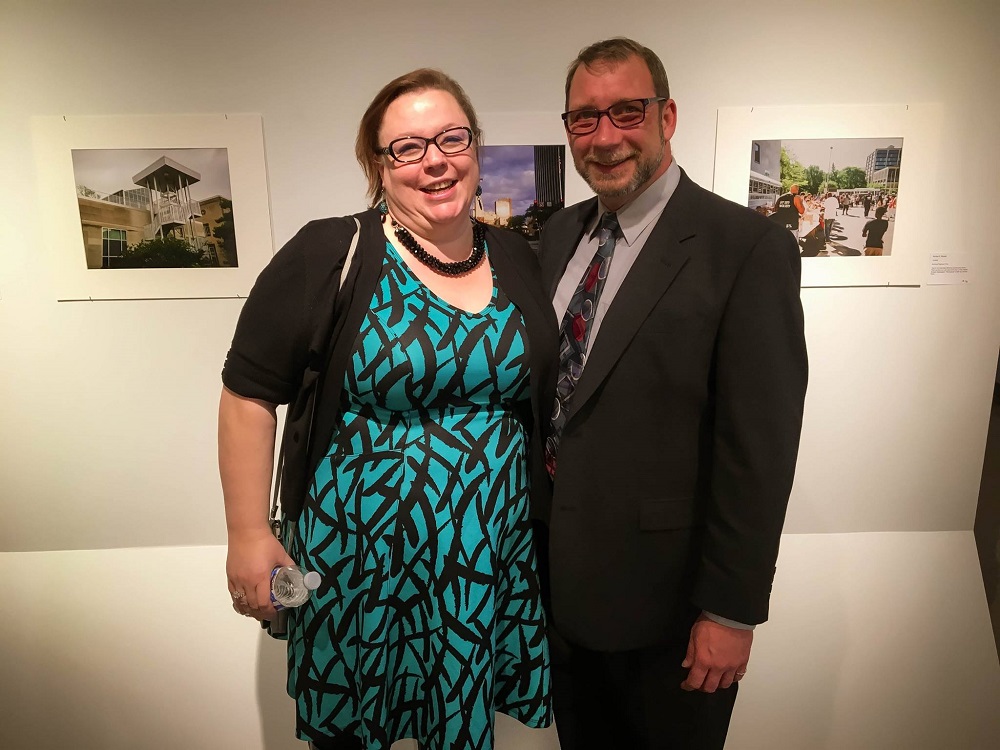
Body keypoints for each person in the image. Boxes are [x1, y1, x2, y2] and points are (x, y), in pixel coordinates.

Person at [219, 68, 556, 750]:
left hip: (486, 558)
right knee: (357, 731)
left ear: (475, 147)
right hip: (361, 561)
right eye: (406, 147)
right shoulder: (329, 251)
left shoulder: (518, 256)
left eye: (451, 138)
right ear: (378, 165)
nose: (434, 159)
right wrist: (248, 536)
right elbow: (248, 395)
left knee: (461, 727)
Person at [537, 38, 808, 750]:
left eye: (627, 111)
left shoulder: (745, 248)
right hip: (561, 602)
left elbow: (760, 450)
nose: (605, 137)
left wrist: (731, 612)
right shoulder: (558, 235)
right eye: (585, 119)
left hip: (673, 614)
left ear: (668, 115)